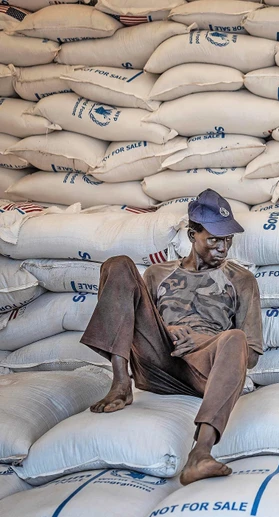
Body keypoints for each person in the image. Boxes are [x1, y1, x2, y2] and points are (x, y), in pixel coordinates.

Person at [79, 189, 262, 486]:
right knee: (119, 264)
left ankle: (200, 454)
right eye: (213, 239)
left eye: (228, 239)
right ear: (192, 235)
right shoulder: (156, 274)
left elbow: (250, 356)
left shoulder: (242, 280)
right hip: (158, 363)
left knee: (236, 338)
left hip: (204, 373)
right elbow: (137, 321)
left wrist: (203, 340)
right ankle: (120, 383)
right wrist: (168, 330)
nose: (222, 248)